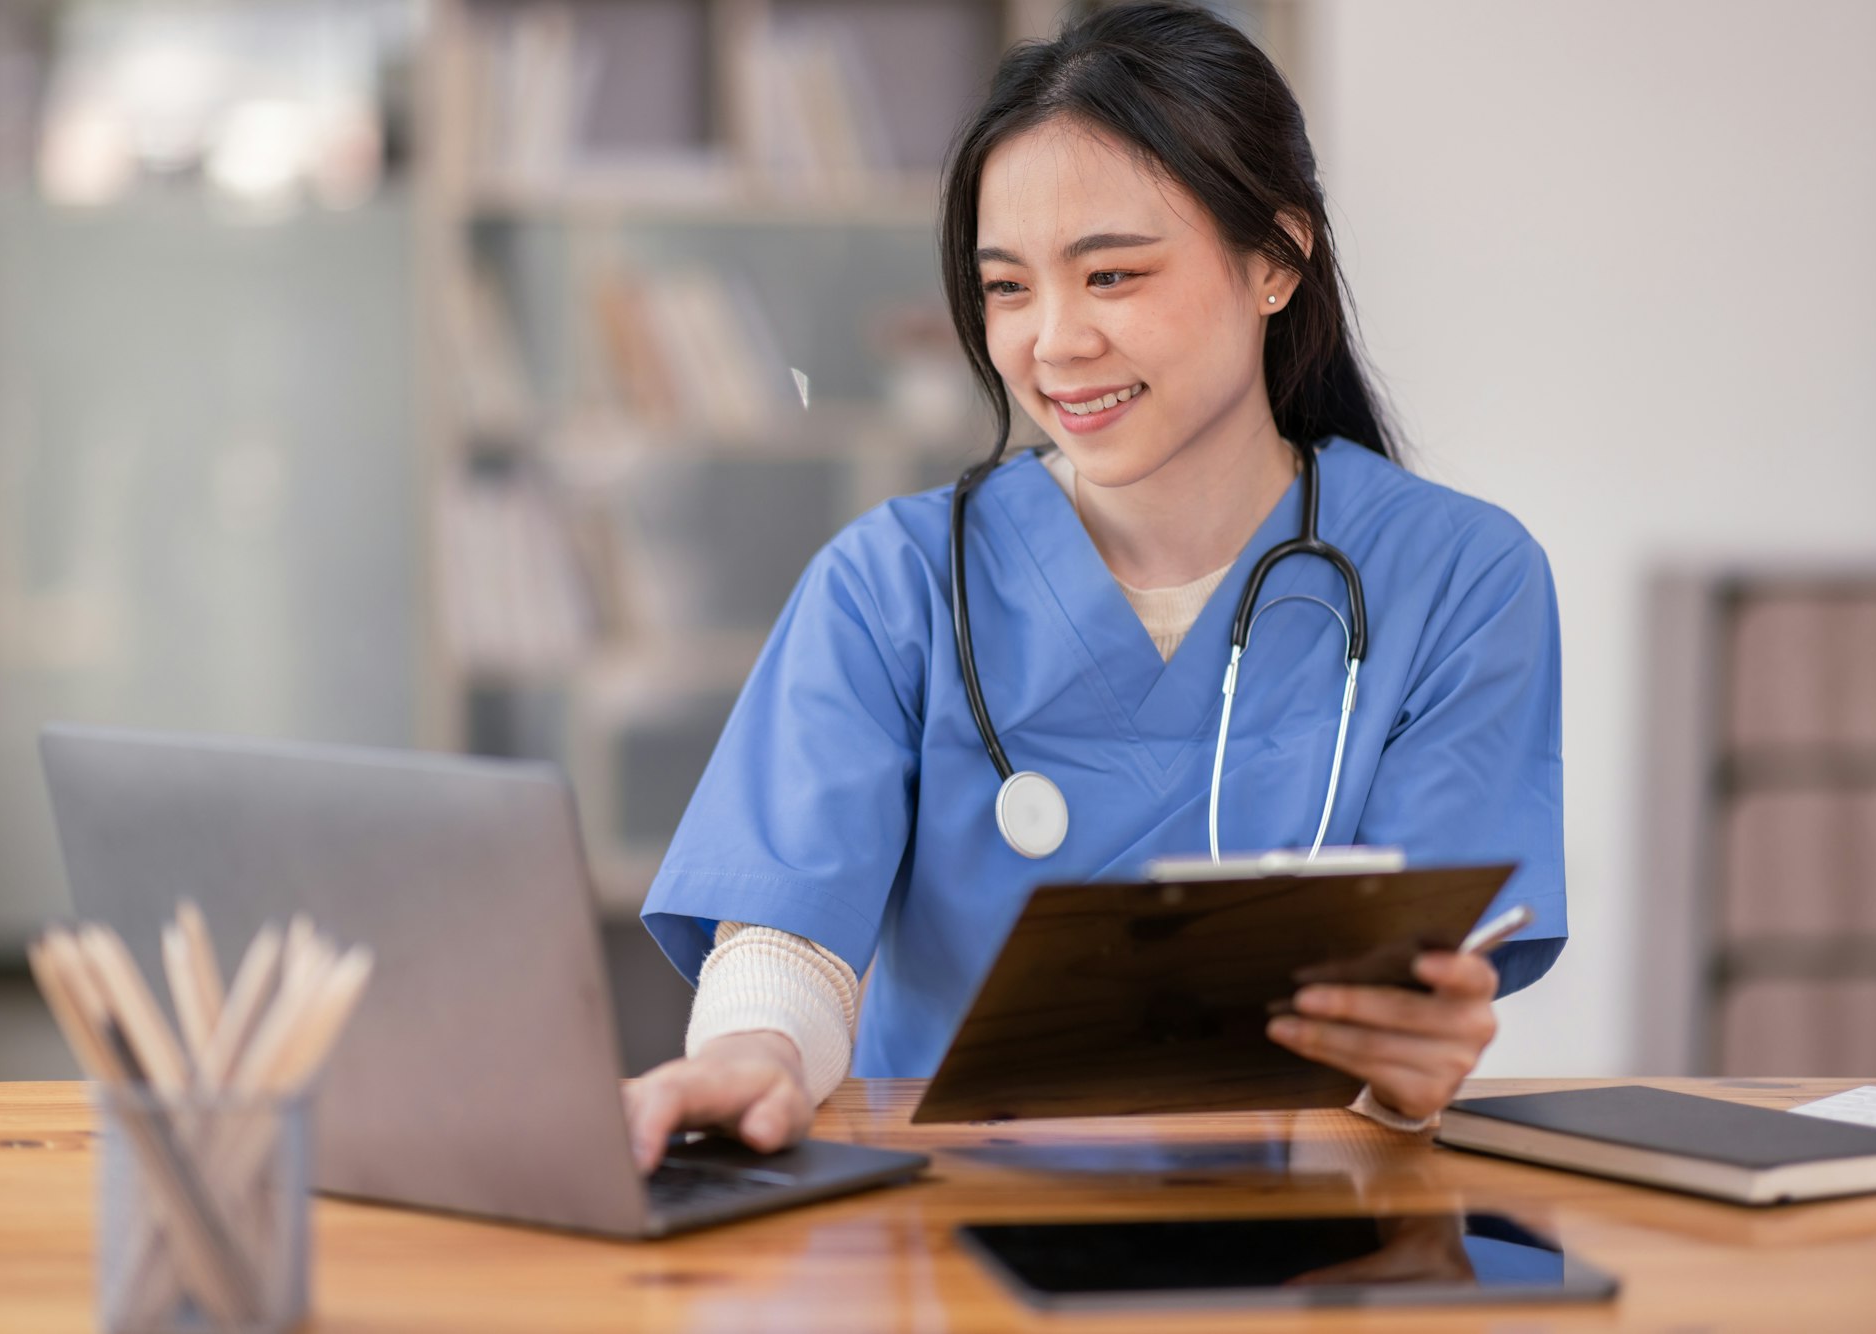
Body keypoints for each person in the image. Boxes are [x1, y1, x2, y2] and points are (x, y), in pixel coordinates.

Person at [627, 1, 1565, 1171]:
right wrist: (751, 1053)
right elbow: (788, 938)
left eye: (1110, 273)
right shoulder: (894, 582)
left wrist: (1404, 1071)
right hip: (951, 1231)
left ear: (1273, 258)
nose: (1050, 342)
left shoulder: (1460, 581)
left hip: (1308, 1246)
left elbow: (1423, 987)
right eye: (1006, 288)